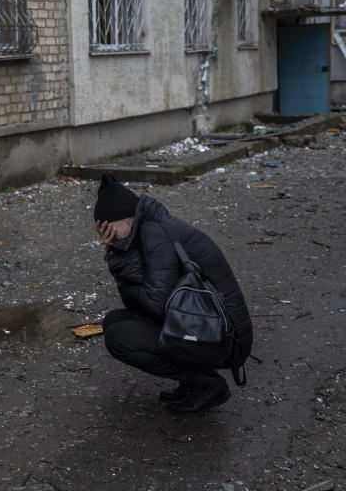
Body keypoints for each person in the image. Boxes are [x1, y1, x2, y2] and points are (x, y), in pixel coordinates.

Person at [93, 172, 253, 413]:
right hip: (211, 326)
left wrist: (118, 254)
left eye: (107, 227)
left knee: (119, 339)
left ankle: (206, 385)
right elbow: (140, 305)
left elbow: (156, 303)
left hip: (226, 337)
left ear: (126, 219)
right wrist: (118, 250)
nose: (106, 233)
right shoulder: (148, 227)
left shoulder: (154, 234)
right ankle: (195, 380)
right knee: (113, 322)